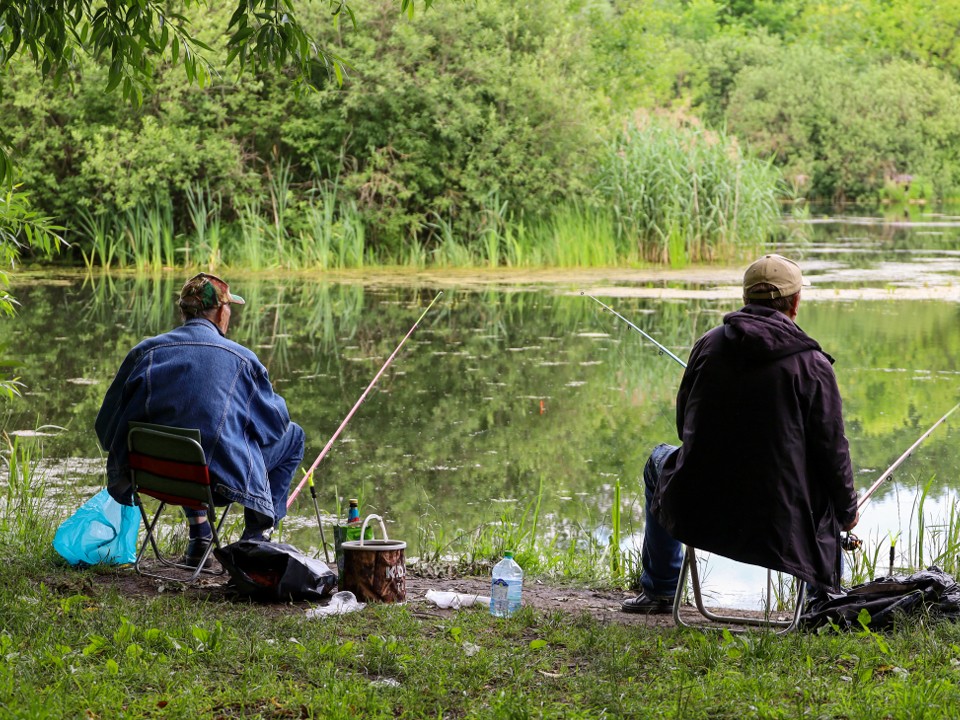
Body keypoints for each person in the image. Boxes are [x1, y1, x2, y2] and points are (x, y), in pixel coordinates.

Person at [622, 254, 859, 613]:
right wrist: (848, 511)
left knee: (659, 460)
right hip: (782, 518)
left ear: (746, 299)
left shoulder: (708, 345)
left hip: (700, 502)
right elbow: (832, 452)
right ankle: (821, 599)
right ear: (795, 303)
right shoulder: (813, 364)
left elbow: (684, 426)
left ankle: (659, 590)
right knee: (825, 489)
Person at [96, 273, 305, 566]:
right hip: (218, 482)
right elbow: (274, 427)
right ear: (221, 312)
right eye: (229, 308)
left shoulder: (145, 352)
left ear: (183, 311)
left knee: (186, 434)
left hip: (156, 477)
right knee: (293, 436)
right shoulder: (242, 360)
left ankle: (200, 536)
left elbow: (105, 431)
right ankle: (255, 543)